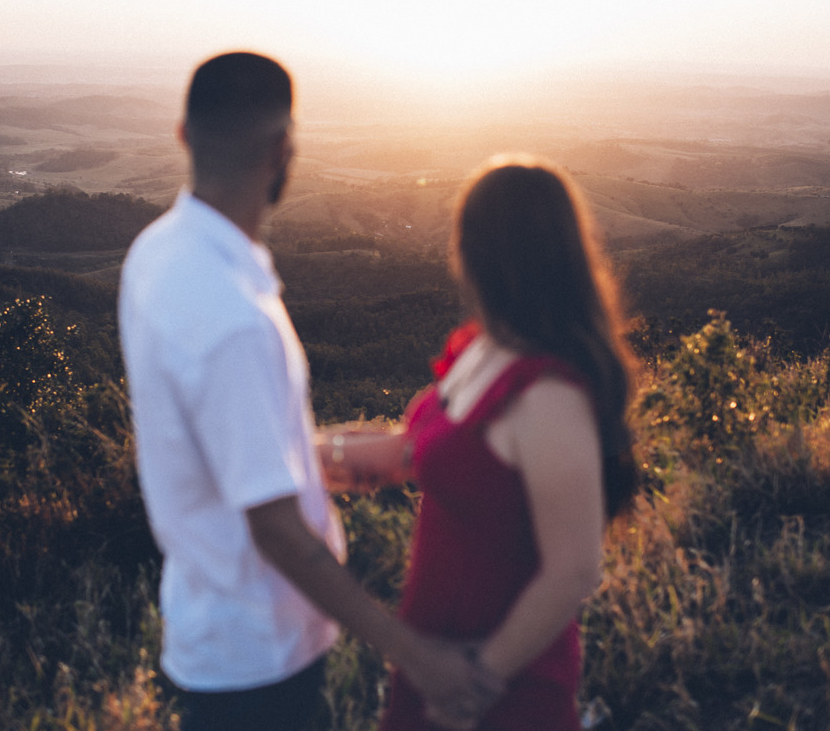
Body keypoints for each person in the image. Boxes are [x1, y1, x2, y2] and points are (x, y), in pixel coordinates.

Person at [118, 52, 499, 731]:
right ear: (282, 149)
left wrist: (317, 452)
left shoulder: (155, 253)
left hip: (208, 624)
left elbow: (219, 442)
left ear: (183, 135)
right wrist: (415, 654)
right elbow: (279, 535)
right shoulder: (234, 317)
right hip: (260, 653)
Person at [322, 155, 640, 730]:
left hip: (500, 677)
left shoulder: (547, 393)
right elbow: (424, 449)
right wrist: (311, 455)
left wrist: (475, 682)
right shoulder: (481, 350)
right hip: (436, 650)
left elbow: (574, 568)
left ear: (482, 254)